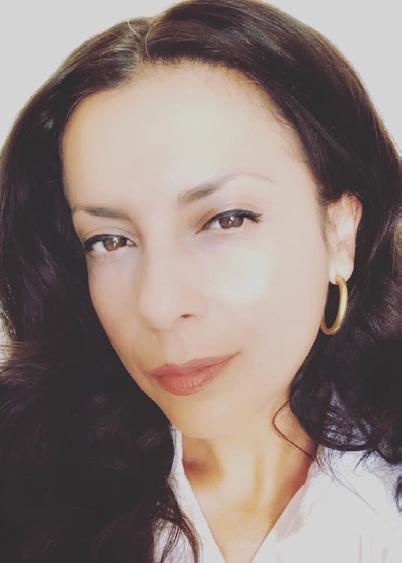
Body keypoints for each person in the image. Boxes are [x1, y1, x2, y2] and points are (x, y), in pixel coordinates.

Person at [0, 0, 401, 561]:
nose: (158, 305)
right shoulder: (23, 495)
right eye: (109, 240)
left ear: (340, 232)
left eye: (225, 220)